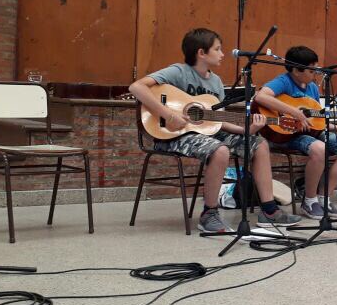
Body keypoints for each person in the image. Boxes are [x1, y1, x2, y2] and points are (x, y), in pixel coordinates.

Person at [129, 28, 301, 233]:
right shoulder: (178, 71)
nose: (222, 54)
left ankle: (269, 211)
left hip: (208, 133)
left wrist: (247, 129)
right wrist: (168, 114)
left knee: (259, 144)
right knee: (220, 150)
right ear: (201, 53)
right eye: (218, 49)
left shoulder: (216, 82)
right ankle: (209, 214)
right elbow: (137, 87)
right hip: (173, 134)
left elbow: (218, 120)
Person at [254, 45, 337, 219]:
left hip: (310, 134)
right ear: (296, 70)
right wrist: (295, 112)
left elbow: (316, 122)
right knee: (320, 149)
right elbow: (260, 97)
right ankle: (309, 201)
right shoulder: (284, 81)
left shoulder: (312, 88)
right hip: (284, 133)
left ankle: (324, 198)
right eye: (312, 69)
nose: (316, 73)